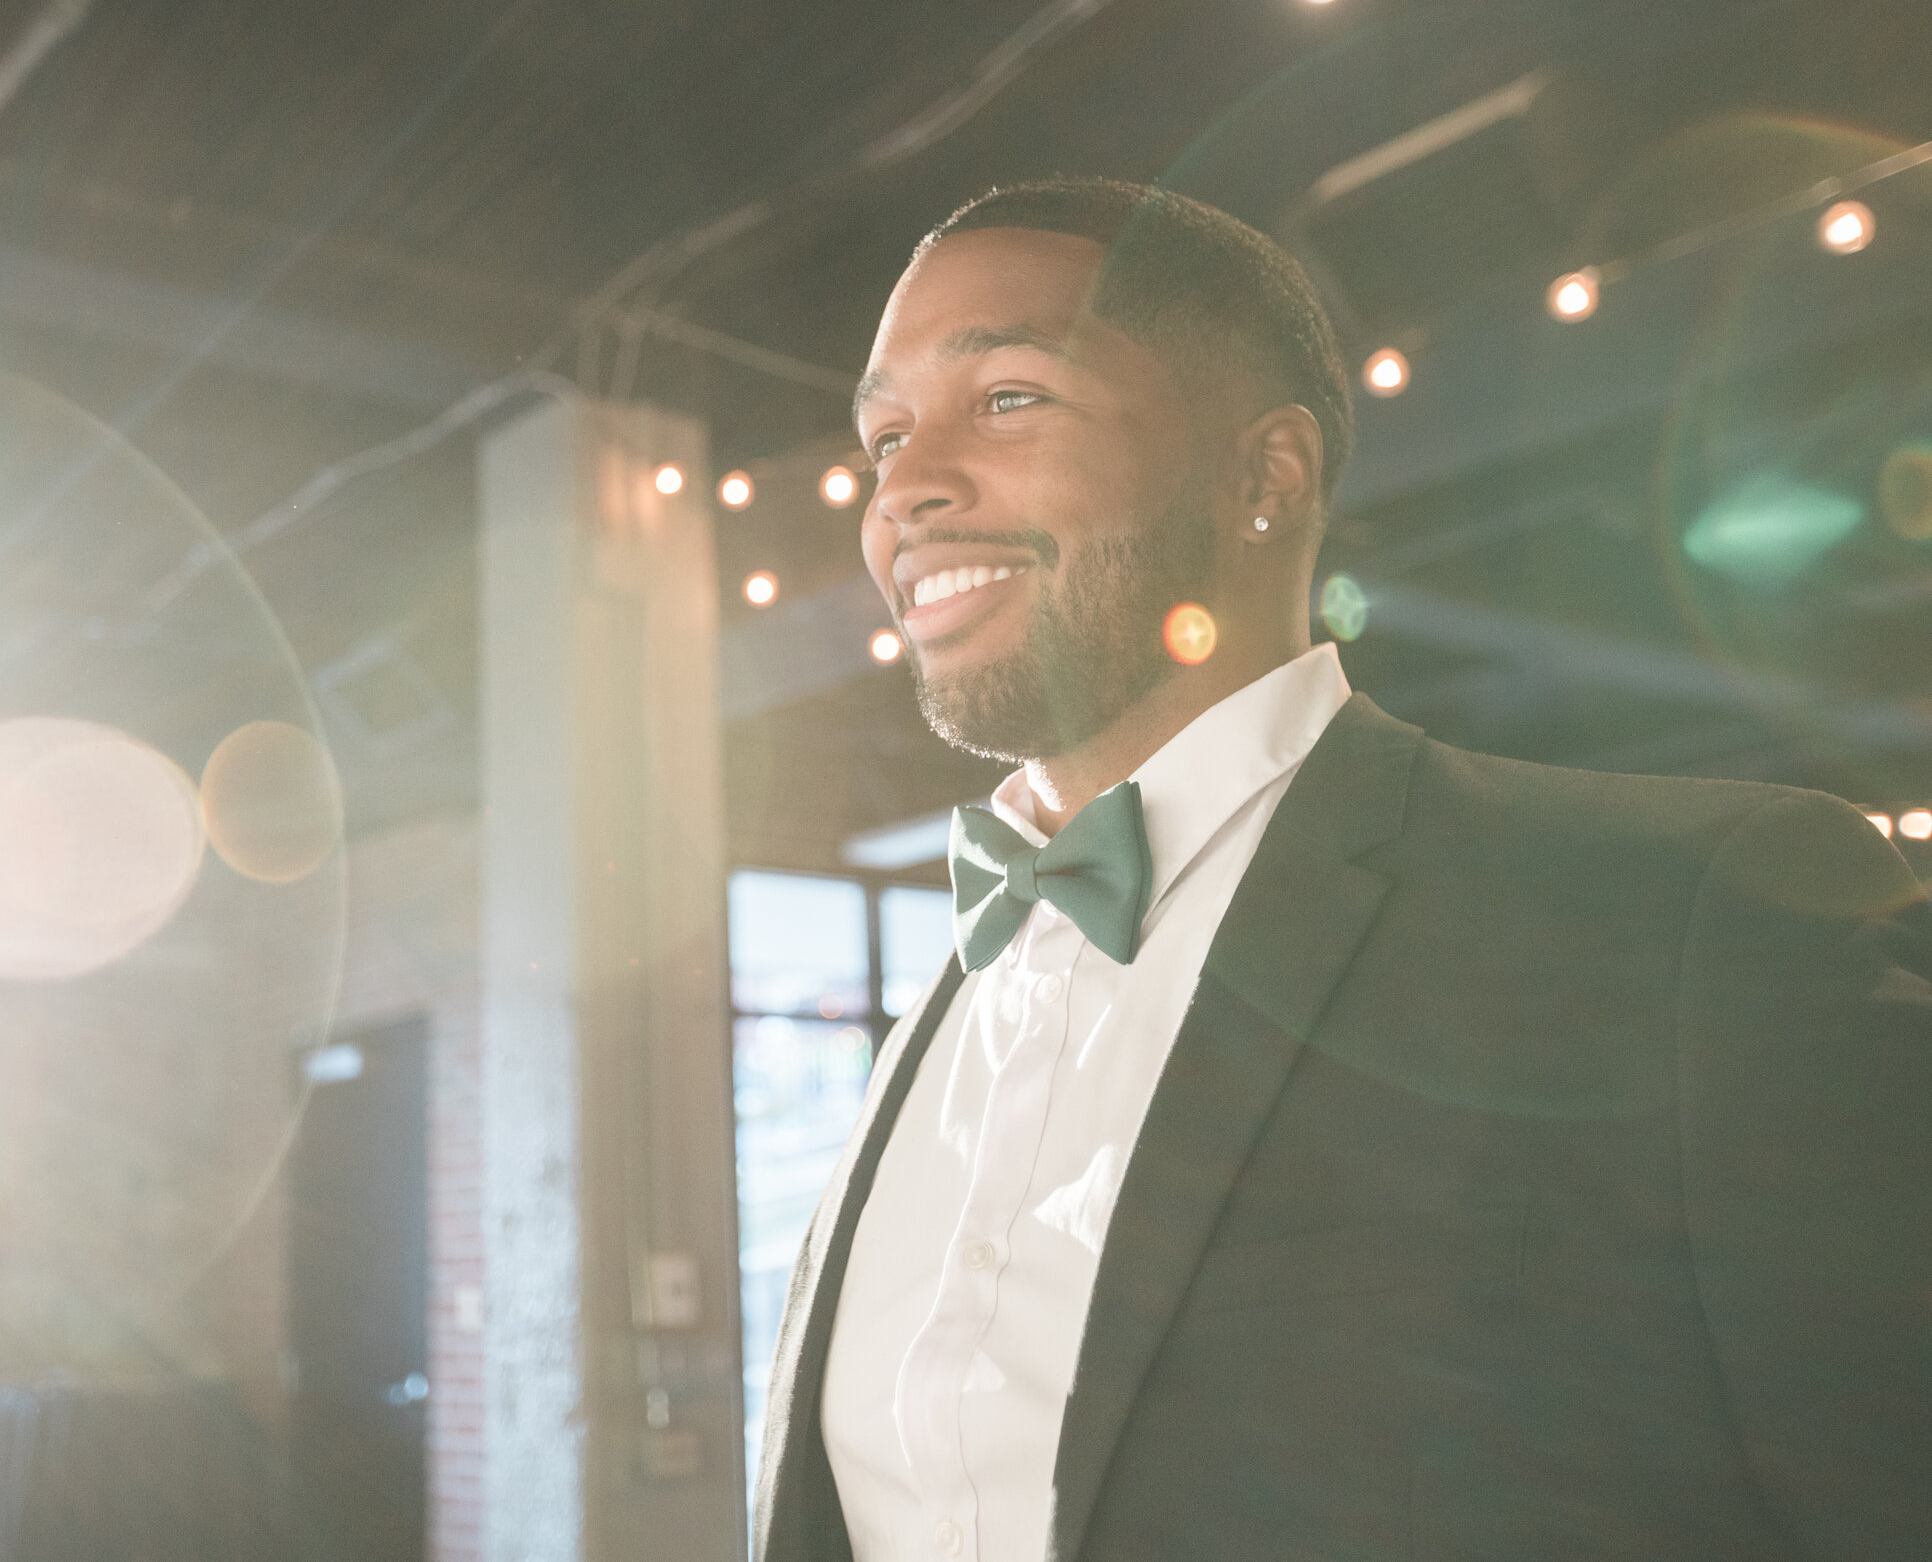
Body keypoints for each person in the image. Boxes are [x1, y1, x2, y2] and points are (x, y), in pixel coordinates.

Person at [753, 177, 1932, 1562]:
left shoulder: (1690, 922)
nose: (904, 487)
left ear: (1268, 477)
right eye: (885, 434)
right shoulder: (926, 1030)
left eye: (1007, 397)